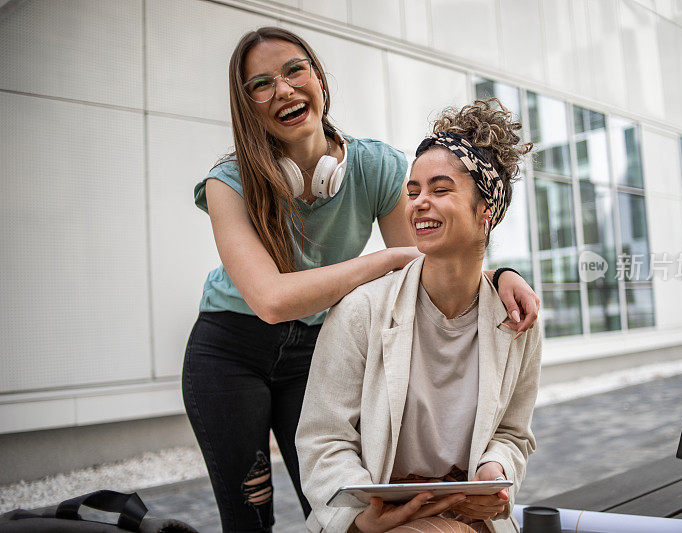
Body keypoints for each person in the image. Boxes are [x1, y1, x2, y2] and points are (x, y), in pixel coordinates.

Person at [182, 28, 540, 532]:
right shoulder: (229, 182)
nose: (283, 90)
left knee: (335, 508)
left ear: (319, 79)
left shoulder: (374, 165)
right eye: (260, 85)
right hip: (231, 344)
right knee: (248, 513)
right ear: (248, 106)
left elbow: (434, 257)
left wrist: (499, 274)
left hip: (313, 342)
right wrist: (380, 262)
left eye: (293, 70)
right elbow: (270, 300)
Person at [296, 99, 543, 533]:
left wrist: (494, 475)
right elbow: (324, 438)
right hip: (377, 524)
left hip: (468, 517)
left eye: (440, 190)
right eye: (413, 192)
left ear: (487, 211)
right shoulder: (362, 310)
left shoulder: (516, 320)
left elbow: (512, 433)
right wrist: (360, 518)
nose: (418, 204)